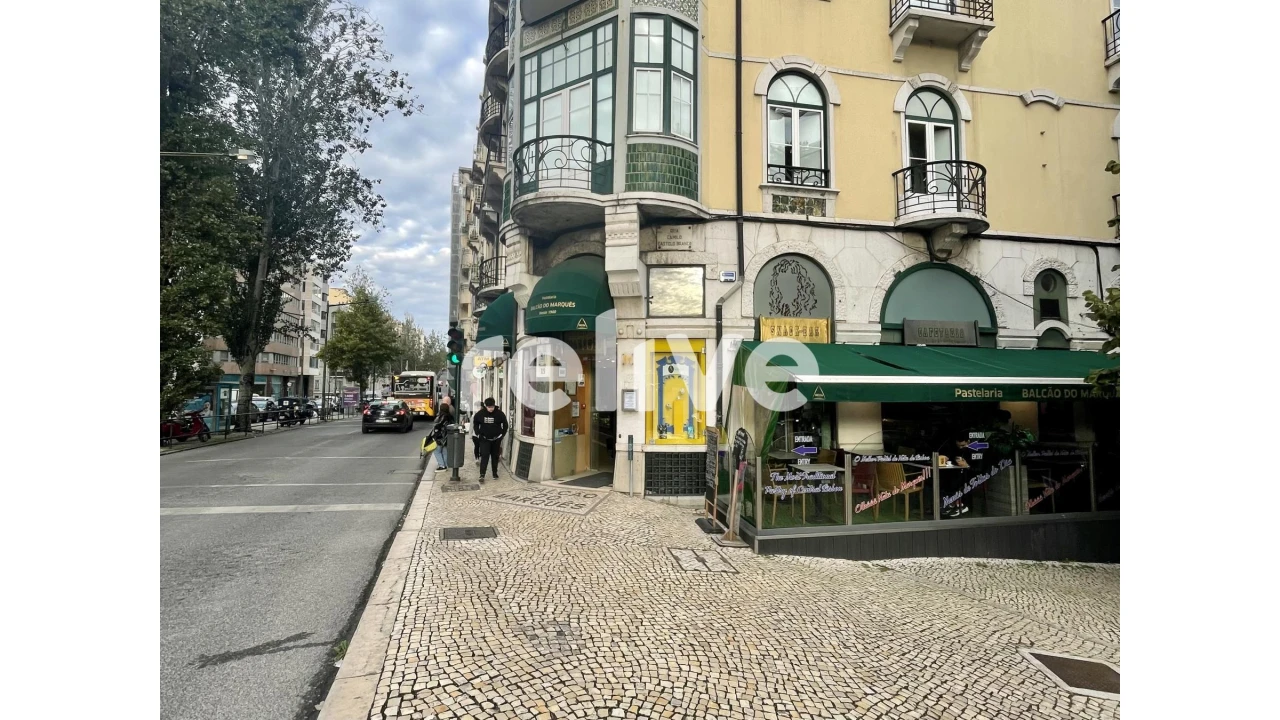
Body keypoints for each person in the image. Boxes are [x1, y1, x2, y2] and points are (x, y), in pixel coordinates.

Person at [470, 397, 508, 483]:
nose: (491, 409)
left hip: (496, 439)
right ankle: (482, 475)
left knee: (495, 456)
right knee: (484, 456)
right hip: (484, 439)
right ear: (485, 406)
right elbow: (475, 423)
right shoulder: (480, 414)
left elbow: (505, 424)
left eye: (492, 407)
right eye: (489, 407)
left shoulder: (500, 414)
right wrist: (478, 433)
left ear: (494, 405)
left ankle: (495, 473)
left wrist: (502, 434)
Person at [432, 397, 454, 472]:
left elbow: (437, 426)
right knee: (445, 451)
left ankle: (442, 465)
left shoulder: (442, 417)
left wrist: (435, 436)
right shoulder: (449, 416)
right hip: (447, 437)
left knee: (436, 451)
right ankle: (445, 464)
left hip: (440, 437)